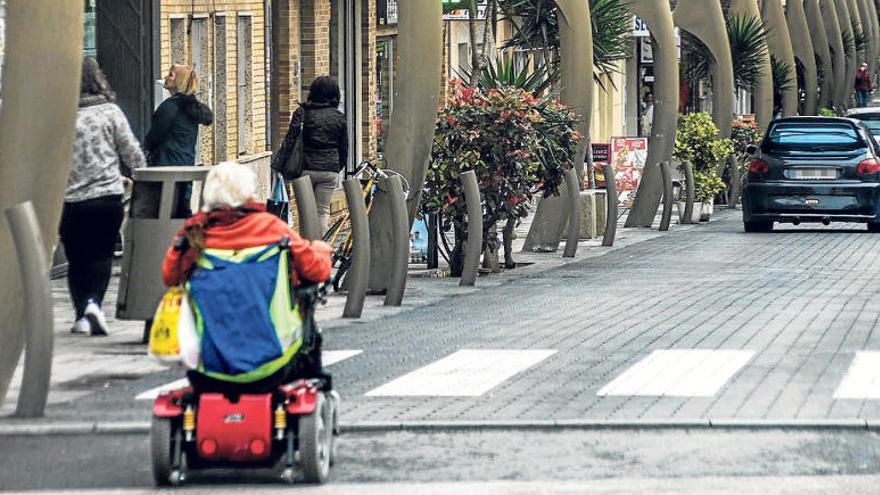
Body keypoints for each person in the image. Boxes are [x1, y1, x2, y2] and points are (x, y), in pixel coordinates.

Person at [161, 162, 333, 390]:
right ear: (248, 192)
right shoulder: (272, 229)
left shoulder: (195, 236)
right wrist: (321, 249)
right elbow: (316, 270)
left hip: (209, 367)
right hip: (274, 365)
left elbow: (169, 276)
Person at [63, 57, 146, 336]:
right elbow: (131, 153)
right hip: (107, 197)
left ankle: (81, 315)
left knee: (77, 258)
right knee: (101, 255)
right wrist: (144, 176)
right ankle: (94, 305)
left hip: (70, 200)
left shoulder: (60, 116)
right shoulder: (110, 112)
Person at [271, 76, 348, 234]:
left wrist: (278, 164)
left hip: (304, 169)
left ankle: (307, 251)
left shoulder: (302, 113)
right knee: (322, 212)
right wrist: (336, 166)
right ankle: (323, 251)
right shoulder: (339, 117)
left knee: (305, 214)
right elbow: (344, 147)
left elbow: (290, 141)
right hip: (329, 171)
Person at [145, 64, 214, 217]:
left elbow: (154, 137)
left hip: (166, 166)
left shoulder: (170, 107)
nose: (166, 77)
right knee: (181, 210)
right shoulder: (190, 108)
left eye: (170, 75)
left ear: (179, 81)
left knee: (166, 213)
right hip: (184, 165)